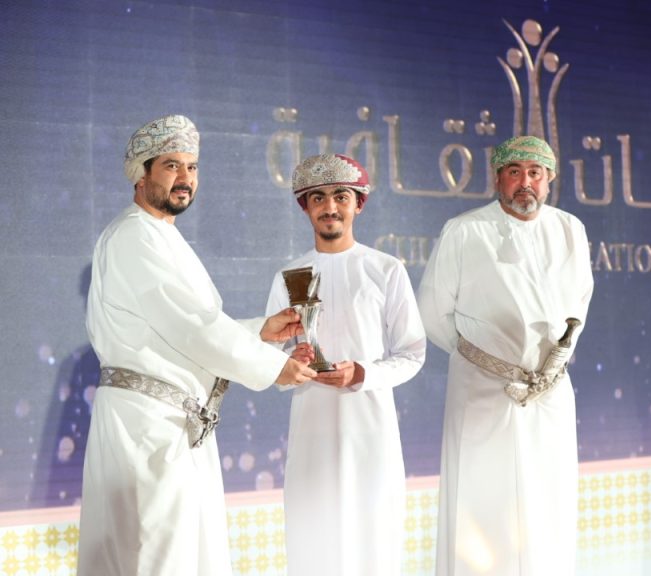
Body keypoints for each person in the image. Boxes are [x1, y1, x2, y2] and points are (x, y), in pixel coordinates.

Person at [78, 114, 318, 576]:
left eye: (192, 167)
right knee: (155, 556)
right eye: (172, 166)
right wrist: (273, 366)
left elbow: (181, 327)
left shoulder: (160, 235)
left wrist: (259, 331)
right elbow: (192, 327)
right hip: (146, 427)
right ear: (142, 174)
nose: (185, 178)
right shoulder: (134, 235)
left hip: (172, 425)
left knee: (181, 555)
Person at [418, 135, 594, 575]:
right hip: (482, 389)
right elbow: (433, 312)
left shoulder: (570, 228)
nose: (525, 183)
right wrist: (489, 361)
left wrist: (546, 369)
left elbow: (579, 301)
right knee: (483, 503)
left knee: (548, 503)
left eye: (535, 173)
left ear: (549, 179)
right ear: (498, 178)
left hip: (550, 391)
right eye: (514, 172)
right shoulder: (464, 230)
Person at [265, 153, 426, 575]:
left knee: (373, 539)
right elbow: (270, 358)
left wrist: (363, 373)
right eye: (318, 197)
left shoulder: (385, 269)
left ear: (358, 204)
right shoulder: (290, 275)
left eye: (341, 196)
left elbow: (412, 354)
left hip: (370, 427)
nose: (330, 206)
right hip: (311, 428)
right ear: (305, 207)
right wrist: (289, 365)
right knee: (313, 541)